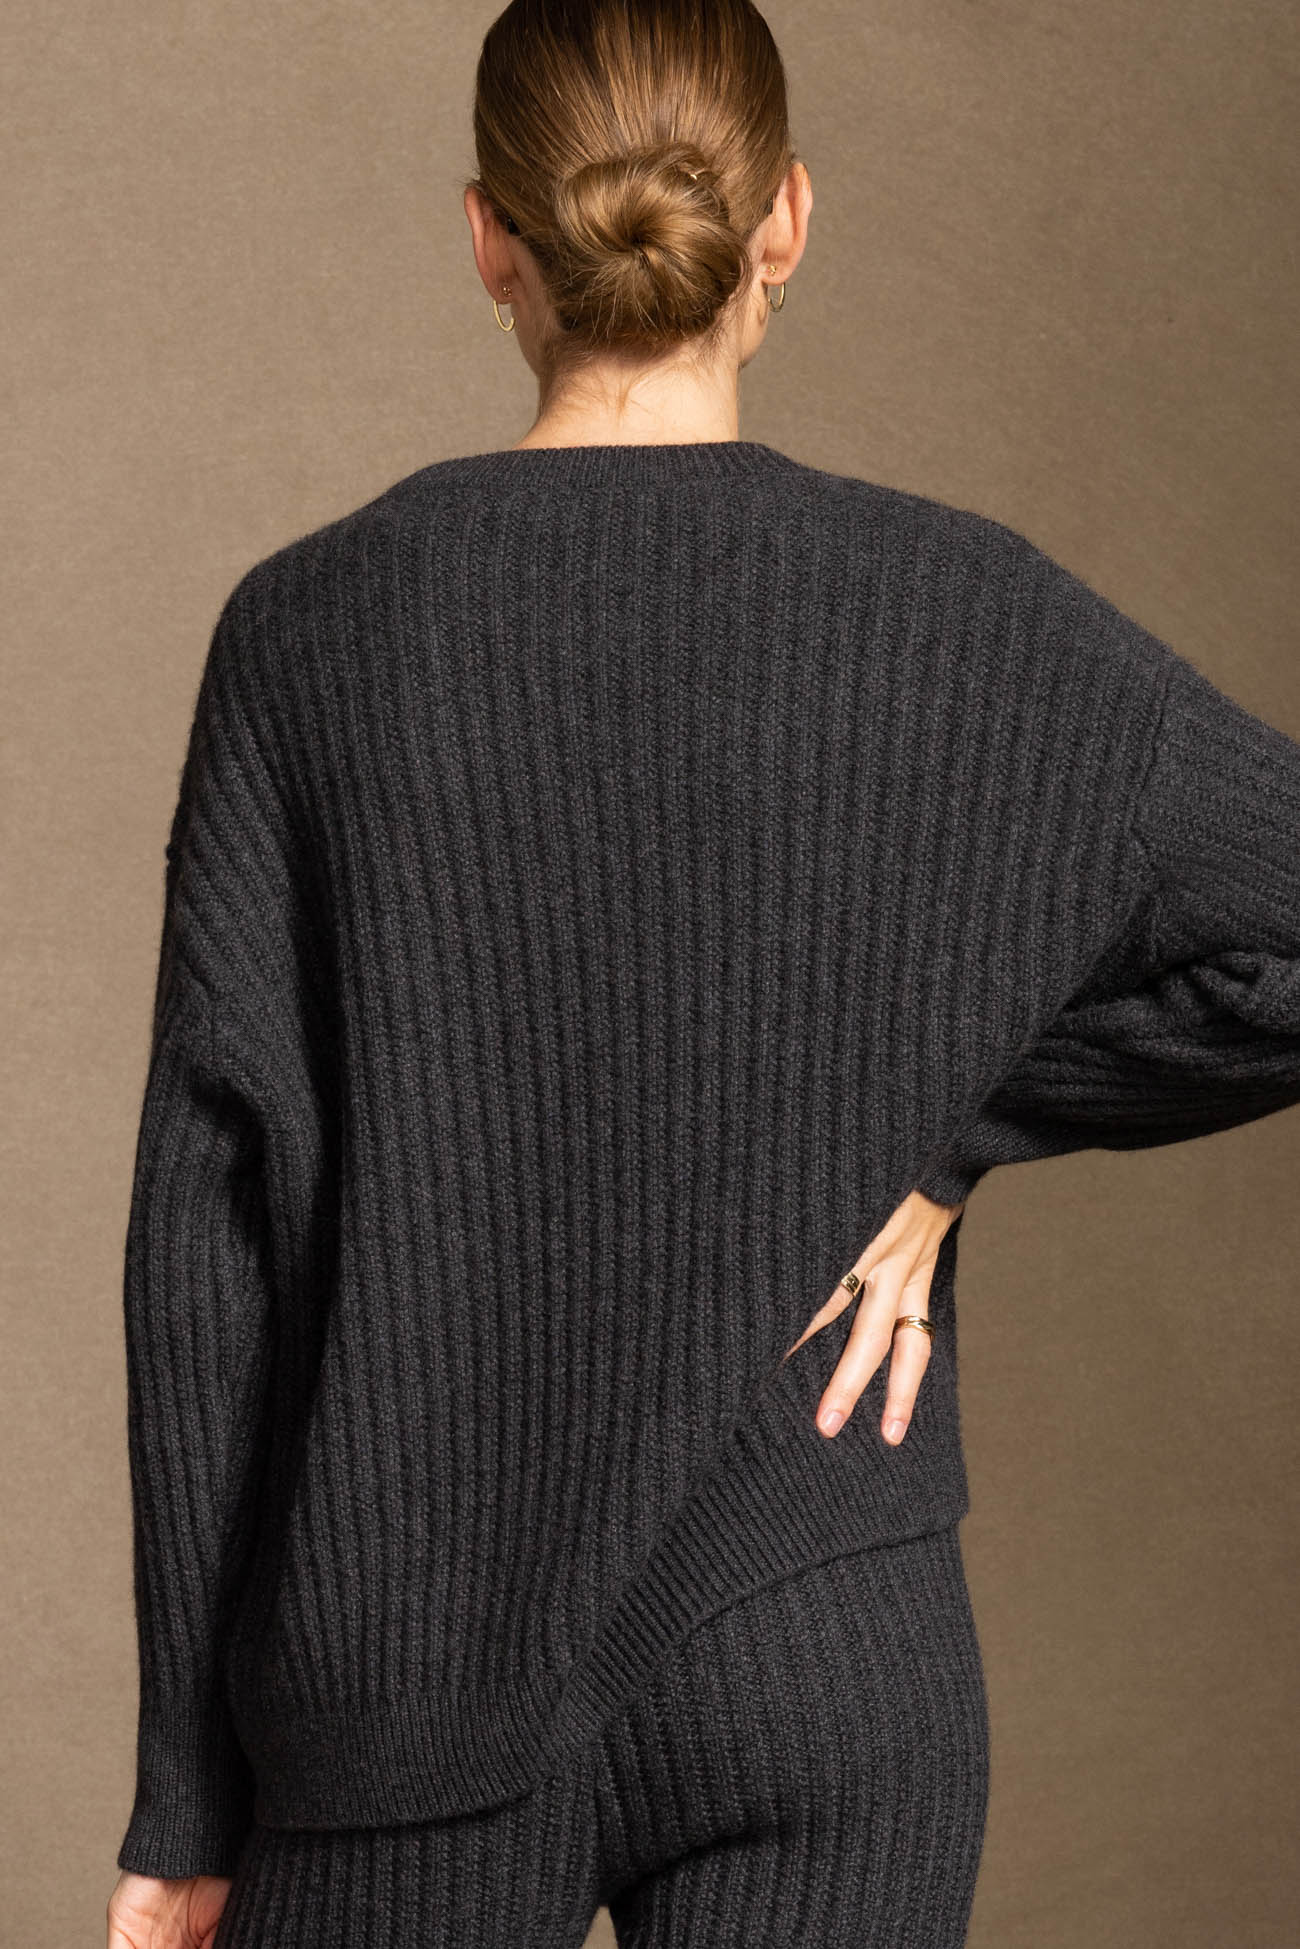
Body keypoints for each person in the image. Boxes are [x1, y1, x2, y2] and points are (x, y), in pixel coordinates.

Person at [106, 2, 1300, 1945]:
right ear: (787, 221)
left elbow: (206, 1249)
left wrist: (182, 1797)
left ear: (488, 238)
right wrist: (961, 1123)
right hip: (820, 1628)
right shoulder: (970, 615)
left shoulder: (311, 637)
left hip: (411, 1671)